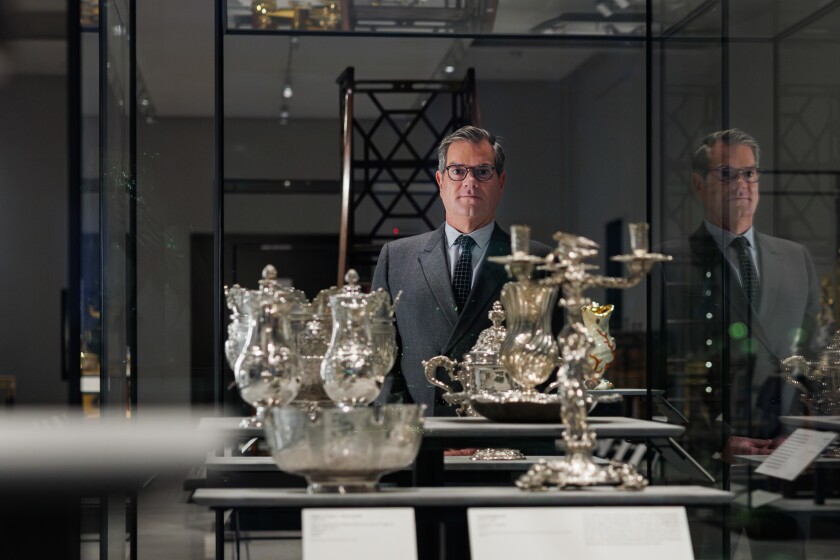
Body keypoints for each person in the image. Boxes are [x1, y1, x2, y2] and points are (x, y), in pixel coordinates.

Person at [660, 128, 821, 478]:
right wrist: (717, 440)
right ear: (699, 184)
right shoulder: (671, 262)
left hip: (789, 456)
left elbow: (814, 355)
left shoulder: (796, 258)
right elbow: (663, 372)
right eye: (726, 174)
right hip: (711, 459)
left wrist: (801, 435)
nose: (741, 184)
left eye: (749, 173)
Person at [372, 125, 551, 415]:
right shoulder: (396, 258)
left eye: (482, 172)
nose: (470, 182)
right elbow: (382, 364)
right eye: (458, 171)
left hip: (503, 439)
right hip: (422, 439)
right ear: (440, 181)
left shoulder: (537, 262)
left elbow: (551, 364)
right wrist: (413, 436)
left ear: (501, 182)